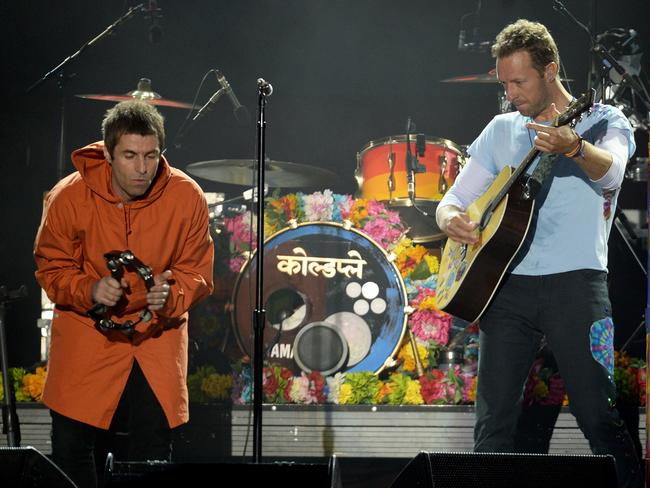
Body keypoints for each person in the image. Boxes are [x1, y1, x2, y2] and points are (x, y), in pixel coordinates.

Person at [436, 19, 642, 488]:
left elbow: (611, 175)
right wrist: (451, 221)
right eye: (504, 82)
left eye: (519, 81)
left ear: (550, 71)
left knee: (600, 419)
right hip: (507, 291)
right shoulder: (501, 129)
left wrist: (575, 148)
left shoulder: (605, 122)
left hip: (578, 286)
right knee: (492, 426)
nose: (510, 93)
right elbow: (451, 201)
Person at [34, 100, 214, 488]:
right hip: (88, 333)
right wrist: (90, 288)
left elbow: (197, 271)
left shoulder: (187, 196)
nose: (143, 168)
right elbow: (51, 268)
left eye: (151, 155)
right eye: (130, 156)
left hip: (156, 337)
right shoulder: (69, 196)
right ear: (108, 153)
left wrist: (172, 294)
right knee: (71, 448)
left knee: (152, 453)